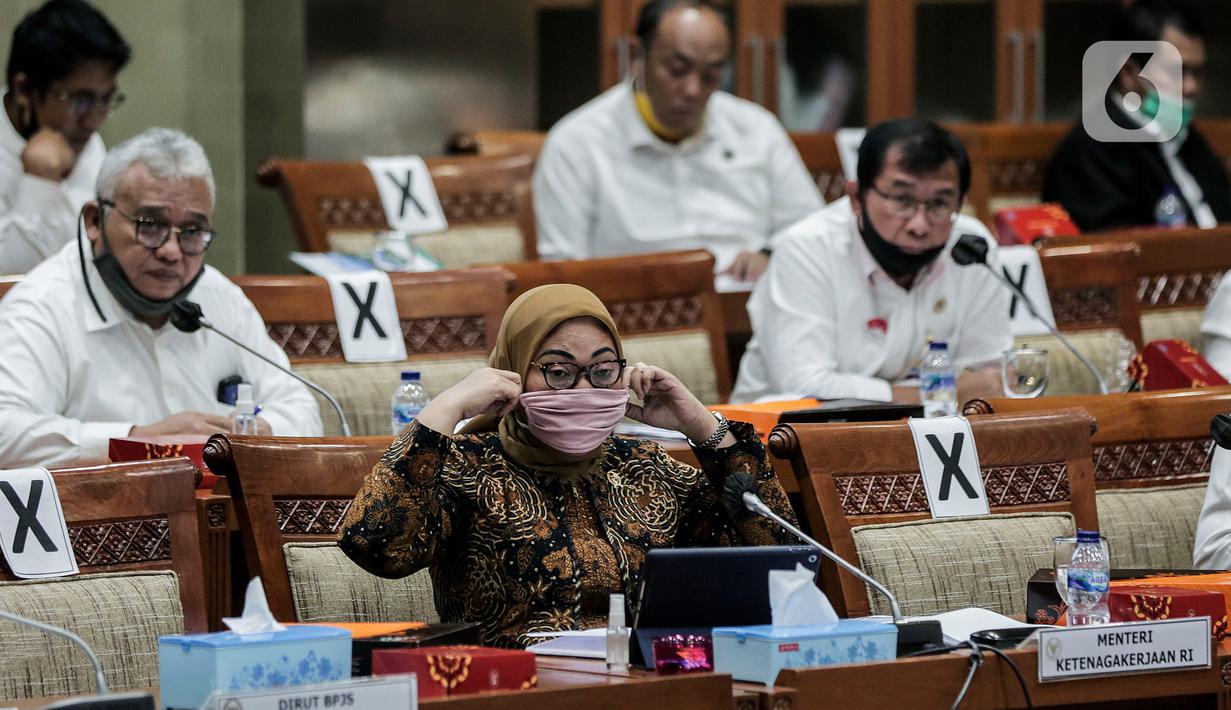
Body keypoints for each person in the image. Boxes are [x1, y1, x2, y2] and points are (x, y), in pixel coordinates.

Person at [340, 283, 796, 647]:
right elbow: (374, 546)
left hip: (649, 689)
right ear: (514, 370)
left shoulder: (645, 466)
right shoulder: (467, 468)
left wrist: (702, 428)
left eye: (602, 371)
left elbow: (780, 562)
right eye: (558, 372)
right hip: (517, 695)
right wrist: (445, 409)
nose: (582, 390)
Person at [0, 128, 322, 468]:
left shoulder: (218, 297)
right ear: (95, 221)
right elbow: (5, 432)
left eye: (193, 232)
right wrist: (137, 440)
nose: (171, 251)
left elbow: (301, 407)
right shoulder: (42, 305)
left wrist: (253, 433)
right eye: (150, 225)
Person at [532, 0, 822, 281]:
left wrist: (770, 252)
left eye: (711, 73)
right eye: (677, 69)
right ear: (636, 55)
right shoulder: (577, 143)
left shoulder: (756, 128)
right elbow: (562, 272)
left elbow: (813, 230)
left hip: (750, 309)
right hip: (636, 316)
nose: (693, 90)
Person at [732, 118, 1011, 404]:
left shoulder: (970, 248)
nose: (920, 225)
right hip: (780, 439)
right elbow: (802, 385)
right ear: (856, 197)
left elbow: (989, 376)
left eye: (940, 204)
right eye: (902, 199)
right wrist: (935, 395)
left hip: (923, 437)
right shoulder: (807, 249)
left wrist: (961, 391)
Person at [1042, 0, 1230, 232]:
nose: (1191, 87)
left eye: (1197, 73)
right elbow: (1119, 251)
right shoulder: (1091, 151)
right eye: (1177, 71)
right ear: (1130, 73)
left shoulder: (1188, 138)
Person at [1, 0, 130, 274]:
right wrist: (38, 180)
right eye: (80, 100)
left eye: (105, 100)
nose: (94, 118)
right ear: (24, 90)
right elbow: (8, 281)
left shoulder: (89, 144)